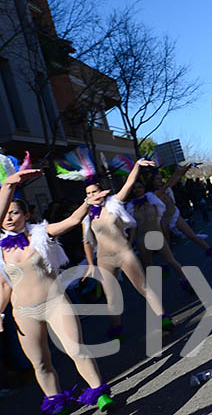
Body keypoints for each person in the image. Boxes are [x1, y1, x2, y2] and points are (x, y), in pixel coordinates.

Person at [2, 168, 115, 413]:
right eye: (6, 213)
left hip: (55, 303)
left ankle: (100, 392)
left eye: (15, 212)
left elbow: (72, 221)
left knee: (76, 348)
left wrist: (87, 203)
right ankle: (56, 402)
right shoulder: (0, 250)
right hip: (23, 313)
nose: (9, 218)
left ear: (27, 214)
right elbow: (3, 286)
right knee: (41, 363)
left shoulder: (41, 234)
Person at [82, 159, 173, 338]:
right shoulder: (87, 215)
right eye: (89, 193)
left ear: (102, 191)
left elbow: (129, 183)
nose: (93, 195)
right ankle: (117, 330)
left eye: (95, 191)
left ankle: (164, 317)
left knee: (143, 287)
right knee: (112, 296)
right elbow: (86, 241)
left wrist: (137, 165)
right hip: (104, 259)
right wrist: (91, 265)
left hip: (124, 253)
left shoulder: (114, 203)